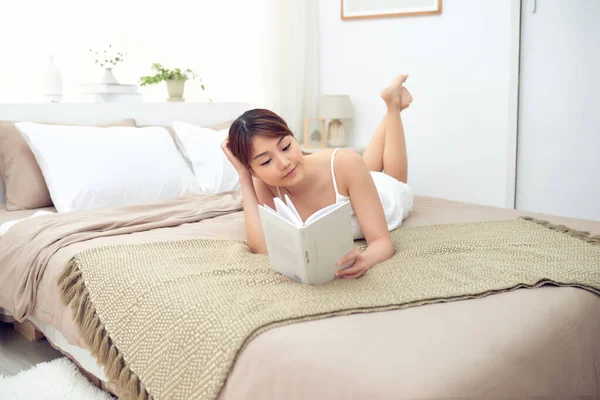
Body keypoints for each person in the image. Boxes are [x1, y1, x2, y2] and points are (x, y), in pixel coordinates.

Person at [221, 74, 414, 279]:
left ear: (293, 137)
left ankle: (393, 106)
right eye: (266, 162)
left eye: (286, 146)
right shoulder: (264, 182)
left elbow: (382, 243)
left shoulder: (345, 162)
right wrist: (243, 176)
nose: (283, 162)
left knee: (396, 180)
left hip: (383, 195)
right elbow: (262, 247)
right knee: (364, 168)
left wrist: (365, 260)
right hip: (356, 181)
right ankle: (392, 105)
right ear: (253, 170)